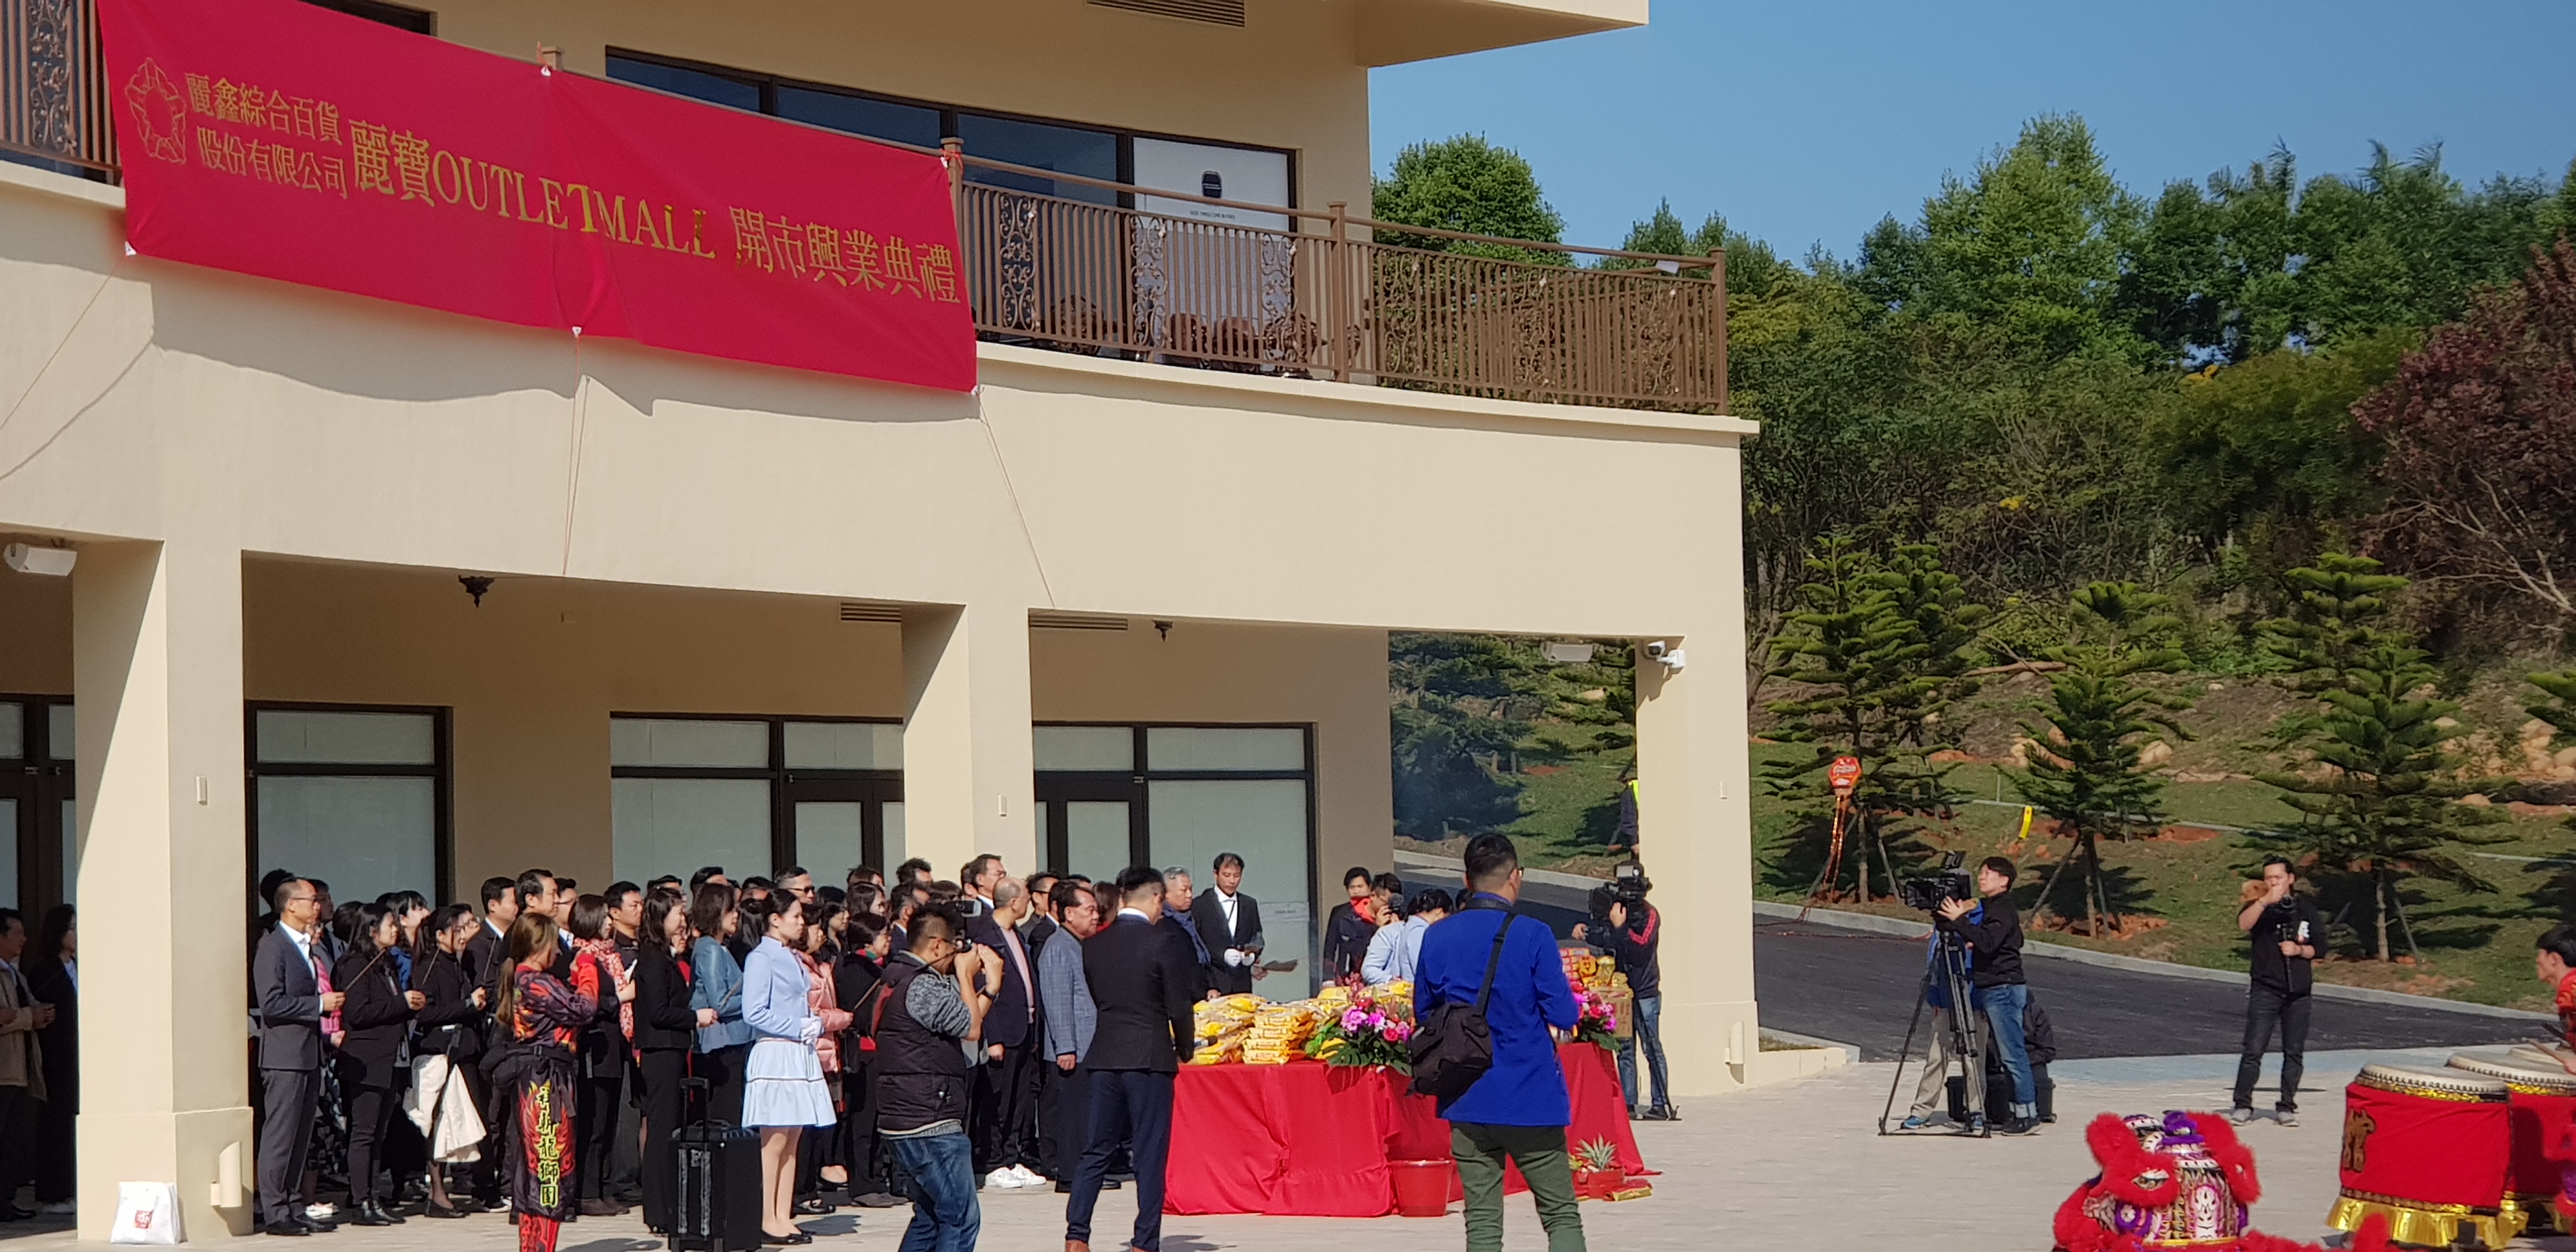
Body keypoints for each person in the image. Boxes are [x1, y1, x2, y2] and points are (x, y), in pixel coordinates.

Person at [1415, 835, 1585, 1252]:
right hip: (1531, 1095)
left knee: (1483, 1225)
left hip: (1466, 1096)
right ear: (1515, 877)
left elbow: (1424, 1013)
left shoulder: (1437, 936)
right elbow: (1565, 1015)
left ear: (1466, 880)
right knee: (1561, 1215)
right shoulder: (1533, 934)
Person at [1064, 867, 1196, 1252]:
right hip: (1149, 1055)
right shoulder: (1164, 941)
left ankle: (1077, 1235)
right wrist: (1185, 1048)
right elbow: (1178, 1005)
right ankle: (1144, 1242)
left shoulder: (1093, 944)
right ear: (1156, 899)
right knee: (1150, 1154)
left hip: (1105, 1053)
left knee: (1096, 1150)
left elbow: (1099, 996)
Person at [876, 904, 996, 1252]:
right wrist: (968, 978)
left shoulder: (896, 976)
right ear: (938, 945)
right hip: (930, 1119)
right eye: (955, 946)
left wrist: (990, 988)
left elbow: (961, 1022)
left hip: (905, 1114)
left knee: (930, 1216)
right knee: (960, 1217)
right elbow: (971, 1028)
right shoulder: (923, 985)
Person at [496, 913, 597, 1252]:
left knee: (537, 1166)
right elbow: (583, 1008)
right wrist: (587, 969)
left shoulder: (527, 980)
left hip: (540, 1078)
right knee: (550, 1166)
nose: (557, 951)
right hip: (546, 1082)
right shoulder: (535, 982)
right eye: (554, 943)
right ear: (540, 944)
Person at [740, 894, 835, 1245]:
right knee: (775, 1140)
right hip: (776, 1053)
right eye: (795, 916)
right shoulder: (761, 957)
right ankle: (767, 1217)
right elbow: (754, 1012)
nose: (801, 922)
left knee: (793, 1138)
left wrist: (811, 1022)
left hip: (798, 1051)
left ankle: (783, 1214)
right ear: (775, 919)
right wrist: (796, 1026)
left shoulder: (791, 956)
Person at [252, 880, 339, 1236]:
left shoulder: (306, 946)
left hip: (308, 1054)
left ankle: (292, 1204)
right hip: (283, 1056)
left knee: (300, 1137)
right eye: (312, 900)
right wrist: (318, 1005)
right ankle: (275, 1210)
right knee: (281, 1136)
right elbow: (271, 1002)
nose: (318, 906)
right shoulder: (273, 946)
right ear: (291, 905)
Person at [332, 902, 422, 1226]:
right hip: (365, 1059)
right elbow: (358, 1013)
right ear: (372, 930)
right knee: (364, 1132)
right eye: (390, 925)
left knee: (379, 1133)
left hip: (390, 1056)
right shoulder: (356, 964)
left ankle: (374, 1196)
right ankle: (361, 1200)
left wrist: (407, 1005)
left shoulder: (386, 962)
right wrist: (401, 1003)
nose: (395, 930)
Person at [1936, 857, 2037, 1134]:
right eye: (1981, 873)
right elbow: (2011, 940)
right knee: (2009, 1054)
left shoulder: (2002, 908)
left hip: (2002, 988)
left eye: (1988, 873)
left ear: (2004, 881)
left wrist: (1960, 921)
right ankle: (2019, 1112)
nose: (1982, 878)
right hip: (1998, 986)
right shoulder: (1995, 907)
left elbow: (1989, 942)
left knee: (2012, 1054)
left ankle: (2027, 1114)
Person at [632, 890, 708, 1235]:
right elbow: (659, 1012)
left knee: (669, 1128)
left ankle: (668, 1205)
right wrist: (694, 1017)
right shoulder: (652, 959)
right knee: (661, 1129)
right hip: (660, 1051)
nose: (682, 919)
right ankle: (657, 1209)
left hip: (672, 1050)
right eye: (677, 912)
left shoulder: (663, 956)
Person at [2227, 857, 2321, 1126]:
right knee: (2254, 1048)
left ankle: (2286, 1105)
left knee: (2294, 1051)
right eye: (2268, 878)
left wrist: (2299, 950)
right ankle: (2242, 1104)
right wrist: (2264, 901)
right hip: (2266, 988)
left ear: (2290, 879)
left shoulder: (2305, 909)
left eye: (2278, 878)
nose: (2273, 882)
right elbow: (2244, 924)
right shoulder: (2260, 907)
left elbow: (2319, 947)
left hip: (2298, 991)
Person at [410, 904, 489, 1218]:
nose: (463, 935)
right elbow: (425, 1014)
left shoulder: (460, 962)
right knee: (438, 1120)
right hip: (442, 1052)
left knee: (456, 1120)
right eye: (457, 930)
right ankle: (438, 1192)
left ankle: (447, 1189)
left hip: (464, 1050)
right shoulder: (430, 965)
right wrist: (468, 1004)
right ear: (440, 935)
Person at [1570, 875, 1669, 1121]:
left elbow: (1640, 947)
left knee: (1651, 1047)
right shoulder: (1616, 912)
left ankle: (1660, 1104)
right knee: (1625, 1048)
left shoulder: (1650, 914)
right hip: (1620, 991)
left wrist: (1621, 926)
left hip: (1645, 992)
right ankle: (1628, 1104)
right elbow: (1607, 939)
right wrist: (1587, 932)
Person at [968, 878, 1043, 1189]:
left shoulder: (1016, 935)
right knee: (997, 1100)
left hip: (1024, 1028)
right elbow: (982, 987)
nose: (1029, 903)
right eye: (1026, 897)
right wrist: (993, 1036)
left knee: (1019, 1099)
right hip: (1003, 1032)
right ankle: (994, 1161)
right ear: (1013, 902)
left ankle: (1012, 1158)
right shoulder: (986, 935)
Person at [1036, 881, 1109, 1195]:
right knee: (1073, 1114)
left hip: (1086, 1045)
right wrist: (1065, 1047)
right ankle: (1070, 1173)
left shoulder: (1077, 945)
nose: (1095, 916)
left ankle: (1084, 1172)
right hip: (1072, 1049)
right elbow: (1057, 1002)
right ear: (1068, 913)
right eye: (1089, 910)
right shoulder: (1058, 947)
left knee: (1085, 1112)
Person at [566, 896, 637, 1216]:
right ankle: (586, 1192)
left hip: (612, 1048)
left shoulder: (610, 957)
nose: (610, 923)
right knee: (593, 1124)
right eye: (605, 918)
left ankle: (604, 1187)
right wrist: (621, 997)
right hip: (594, 1049)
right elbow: (587, 1005)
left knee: (609, 1123)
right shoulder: (585, 958)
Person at [834, 912, 900, 1209]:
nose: (888, 940)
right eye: (883, 934)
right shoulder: (853, 968)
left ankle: (876, 1178)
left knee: (878, 1119)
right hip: (862, 1052)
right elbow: (862, 1013)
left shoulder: (881, 967)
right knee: (862, 1118)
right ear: (867, 939)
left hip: (881, 1050)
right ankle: (861, 1183)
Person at [0, 910, 51, 1225]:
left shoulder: (15, 975)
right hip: (3, 1070)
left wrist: (38, 1015)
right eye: (17, 933)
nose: (24, 940)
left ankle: (5, 1201)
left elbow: (17, 1012)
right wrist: (28, 1017)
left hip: (20, 1071)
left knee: (14, 1141)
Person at [24, 905, 75, 1216]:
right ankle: (52, 1192)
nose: (76, 934)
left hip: (77, 1056)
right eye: (72, 928)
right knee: (55, 1120)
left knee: (71, 1119)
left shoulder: (77, 966)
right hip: (55, 1056)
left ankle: (71, 1187)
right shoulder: (46, 970)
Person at [690, 882, 753, 1126]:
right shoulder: (711, 949)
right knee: (725, 1117)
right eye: (730, 910)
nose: (736, 915)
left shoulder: (718, 948)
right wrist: (753, 1000)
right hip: (722, 1042)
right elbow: (720, 1003)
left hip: (729, 1041)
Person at [1192, 853, 1264, 997]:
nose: (1232, 881)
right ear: (1216, 874)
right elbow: (1195, 944)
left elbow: (1257, 937)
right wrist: (1222, 955)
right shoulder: (1200, 905)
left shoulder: (1249, 904)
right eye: (1227, 875)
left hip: (1242, 983)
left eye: (1237, 876)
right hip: (1213, 982)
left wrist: (1251, 954)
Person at [1365, 888, 1450, 986]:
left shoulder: (1420, 931)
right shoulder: (1396, 932)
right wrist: (1394, 981)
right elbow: (1369, 969)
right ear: (1440, 913)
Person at [1159, 869, 1213, 1001]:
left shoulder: (1193, 918)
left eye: (1191, 889)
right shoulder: (1161, 923)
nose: (1189, 895)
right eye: (1184, 890)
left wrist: (1211, 987)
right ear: (1166, 893)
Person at [1321, 867, 1377, 982]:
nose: (1356, 891)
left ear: (1369, 887)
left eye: (1360, 886)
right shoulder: (1339, 912)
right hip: (1345, 972)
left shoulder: (1378, 910)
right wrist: (1328, 979)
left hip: (1373, 970)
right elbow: (1330, 947)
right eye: (1352, 887)